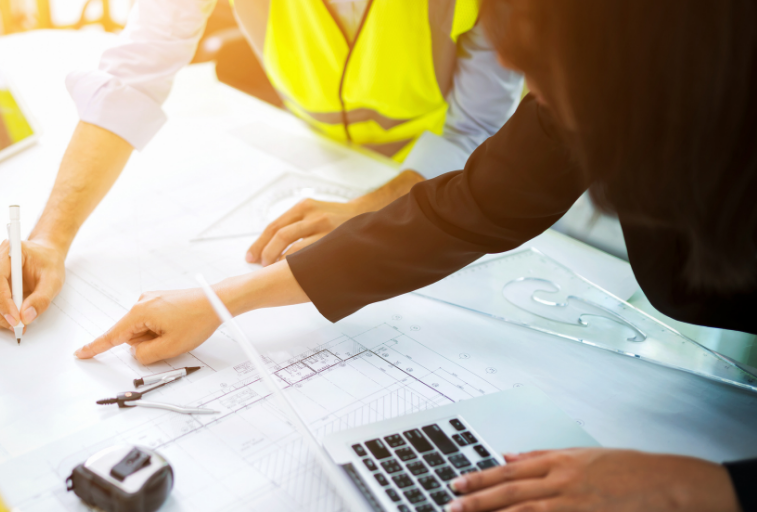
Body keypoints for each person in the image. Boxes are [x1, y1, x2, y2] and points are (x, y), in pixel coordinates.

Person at [74, 0, 757, 510]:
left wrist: (706, 485)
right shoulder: (594, 84)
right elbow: (473, 206)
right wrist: (225, 301)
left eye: (546, 59)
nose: (518, 77)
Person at [0, 0, 524, 331]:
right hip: (314, 146)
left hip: (437, 169)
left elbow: (474, 130)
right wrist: (49, 238)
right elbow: (132, 79)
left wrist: (366, 208)